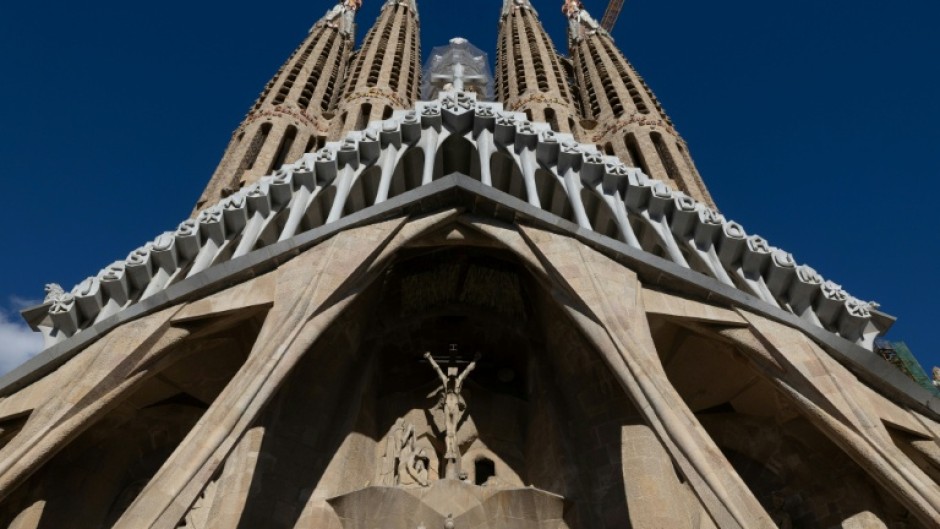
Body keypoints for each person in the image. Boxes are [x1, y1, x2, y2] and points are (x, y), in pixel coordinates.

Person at [424, 350, 480, 478]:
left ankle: (452, 450)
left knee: (452, 431)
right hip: (447, 405)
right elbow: (437, 368)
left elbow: (467, 370)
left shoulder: (459, 381)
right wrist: (429, 358)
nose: (452, 378)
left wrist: (475, 360)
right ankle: (449, 450)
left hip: (454, 405)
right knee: (449, 430)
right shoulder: (445, 381)